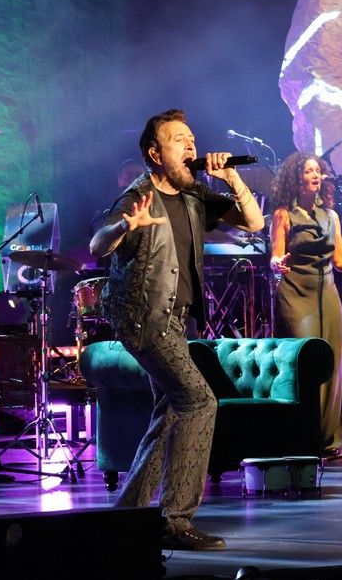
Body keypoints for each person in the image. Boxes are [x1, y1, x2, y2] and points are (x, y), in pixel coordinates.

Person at [90, 109, 264, 551]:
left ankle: (126, 517)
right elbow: (98, 244)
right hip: (144, 318)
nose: (190, 147)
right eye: (178, 140)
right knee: (200, 401)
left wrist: (232, 181)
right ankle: (173, 520)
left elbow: (254, 224)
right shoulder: (138, 196)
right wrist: (124, 227)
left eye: (192, 139)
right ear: (154, 153)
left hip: (175, 319)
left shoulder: (193, 196)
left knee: (170, 411)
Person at [267, 151, 342, 454]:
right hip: (295, 294)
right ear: (297, 178)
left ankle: (327, 437)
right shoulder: (283, 214)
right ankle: (298, 434)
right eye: (309, 171)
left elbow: (341, 260)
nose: (316, 175)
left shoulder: (331, 216)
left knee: (330, 365)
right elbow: (275, 257)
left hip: (327, 295)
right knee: (302, 362)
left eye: (318, 170)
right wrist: (277, 264)